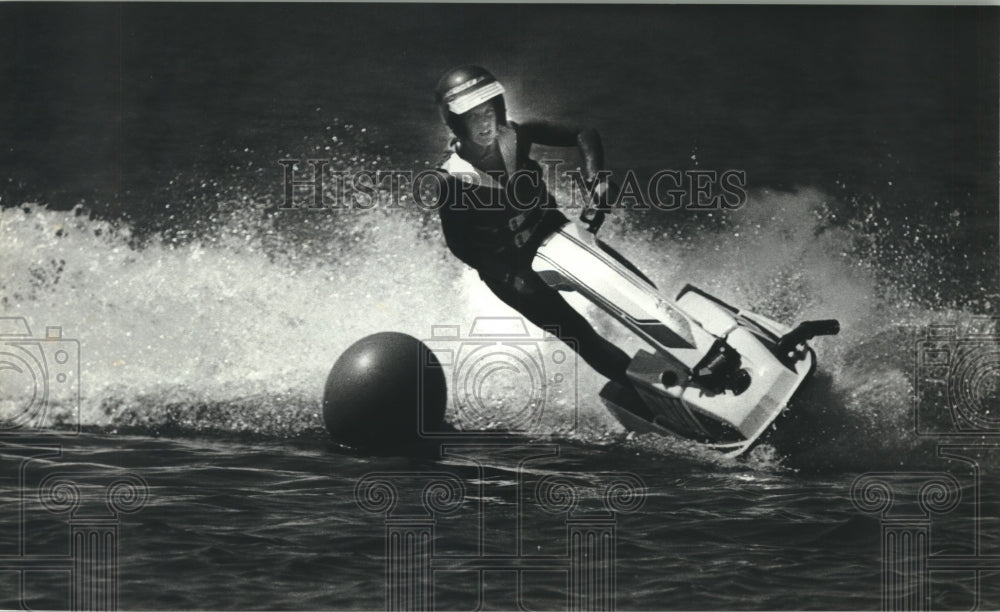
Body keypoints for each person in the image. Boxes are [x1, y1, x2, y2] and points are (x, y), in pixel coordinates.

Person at [425, 65, 637, 388]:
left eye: (488, 112)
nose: (484, 124)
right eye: (472, 117)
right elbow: (459, 246)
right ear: (456, 123)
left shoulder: (515, 136)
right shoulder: (451, 180)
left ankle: (702, 340)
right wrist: (510, 276)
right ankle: (645, 392)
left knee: (632, 289)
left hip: (553, 234)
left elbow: (584, 133)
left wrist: (597, 180)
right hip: (511, 272)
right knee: (579, 332)